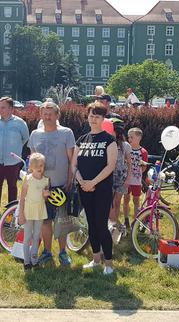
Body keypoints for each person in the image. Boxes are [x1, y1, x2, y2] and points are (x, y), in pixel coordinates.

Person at [72, 102, 117, 275]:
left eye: (97, 116)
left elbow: (110, 166)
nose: (93, 119)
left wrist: (93, 182)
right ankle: (96, 259)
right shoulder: (82, 140)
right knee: (91, 224)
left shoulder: (109, 140)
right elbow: (73, 165)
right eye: (91, 116)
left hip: (102, 190)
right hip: (84, 188)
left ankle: (109, 264)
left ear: (103, 118)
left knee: (101, 224)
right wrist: (82, 181)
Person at [28, 102, 76, 266]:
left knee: (62, 221)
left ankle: (63, 252)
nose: (47, 117)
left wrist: (70, 179)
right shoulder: (35, 134)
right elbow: (33, 160)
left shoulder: (66, 133)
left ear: (57, 116)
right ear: (41, 115)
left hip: (61, 185)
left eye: (51, 114)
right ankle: (47, 252)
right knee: (45, 220)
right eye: (44, 113)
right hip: (42, 187)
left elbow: (72, 160)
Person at [0, 97, 29, 219]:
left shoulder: (20, 123)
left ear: (11, 109)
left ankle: (11, 211)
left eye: (3, 107)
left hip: (13, 161)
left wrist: (15, 148)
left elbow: (25, 138)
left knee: (12, 185)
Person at [18, 153, 50, 271]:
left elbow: (44, 198)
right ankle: (26, 262)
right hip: (28, 211)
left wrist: (45, 195)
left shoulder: (45, 180)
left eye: (42, 165)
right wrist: (21, 213)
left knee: (36, 236)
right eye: (37, 165)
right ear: (31, 167)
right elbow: (22, 197)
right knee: (27, 237)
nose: (40, 168)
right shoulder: (28, 179)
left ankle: (34, 260)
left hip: (40, 211)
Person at [108, 119, 132, 244]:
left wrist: (128, 179)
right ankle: (116, 225)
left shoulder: (125, 145)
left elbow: (130, 163)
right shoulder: (107, 143)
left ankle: (115, 227)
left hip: (121, 177)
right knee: (109, 203)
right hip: (108, 177)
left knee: (117, 203)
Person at [123, 128, 148, 230]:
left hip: (136, 181)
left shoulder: (143, 152)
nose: (129, 139)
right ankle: (126, 220)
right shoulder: (126, 149)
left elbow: (144, 166)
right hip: (126, 180)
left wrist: (138, 173)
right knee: (125, 199)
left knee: (136, 200)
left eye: (131, 137)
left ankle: (135, 221)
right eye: (128, 137)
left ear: (139, 138)